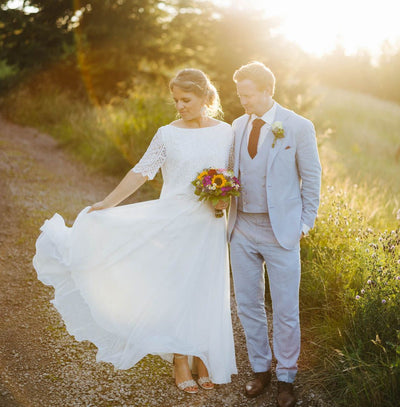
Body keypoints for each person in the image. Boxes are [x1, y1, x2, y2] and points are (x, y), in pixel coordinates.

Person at [33, 68, 237, 394]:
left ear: (206, 98)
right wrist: (108, 202)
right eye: (176, 100)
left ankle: (203, 353)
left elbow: (232, 175)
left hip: (210, 224)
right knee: (177, 288)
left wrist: (223, 202)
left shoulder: (227, 132)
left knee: (206, 287)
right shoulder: (167, 134)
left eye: (186, 100)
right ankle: (180, 359)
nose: (179, 106)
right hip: (173, 222)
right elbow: (142, 171)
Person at [227, 61, 321, 407]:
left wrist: (304, 225)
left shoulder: (298, 126)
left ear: (268, 91)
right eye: (240, 95)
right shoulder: (237, 126)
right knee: (248, 304)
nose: (243, 102)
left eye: (247, 95)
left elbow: (312, 179)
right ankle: (260, 369)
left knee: (285, 308)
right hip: (242, 229)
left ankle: (287, 377)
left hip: (283, 233)